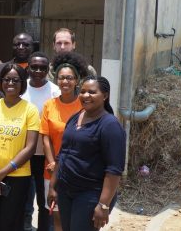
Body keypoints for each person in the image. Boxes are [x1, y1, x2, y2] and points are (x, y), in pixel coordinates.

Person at [47, 76, 125, 231]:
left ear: (105, 95)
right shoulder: (76, 117)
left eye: (92, 92)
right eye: (82, 91)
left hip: (90, 194)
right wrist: (53, 186)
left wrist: (103, 204)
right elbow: (62, 154)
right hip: (66, 190)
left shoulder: (110, 125)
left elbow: (114, 169)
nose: (85, 96)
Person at [0, 64, 40, 231]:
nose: (10, 83)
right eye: (6, 79)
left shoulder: (30, 110)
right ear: (0, 81)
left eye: (15, 80)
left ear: (22, 83)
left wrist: (2, 172)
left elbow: (30, 147)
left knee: (10, 222)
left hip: (17, 176)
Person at [40, 54, 88, 231]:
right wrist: (52, 162)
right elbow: (45, 137)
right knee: (58, 216)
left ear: (77, 80)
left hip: (77, 169)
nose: (65, 82)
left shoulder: (84, 106)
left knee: (76, 216)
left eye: (69, 78)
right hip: (52, 171)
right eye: (61, 78)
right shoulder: (49, 105)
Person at [21, 52, 60, 231]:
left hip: (46, 156)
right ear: (27, 67)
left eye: (42, 68)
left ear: (48, 69)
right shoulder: (20, 88)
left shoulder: (55, 91)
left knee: (46, 203)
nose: (38, 71)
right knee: (24, 202)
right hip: (23, 155)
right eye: (34, 67)